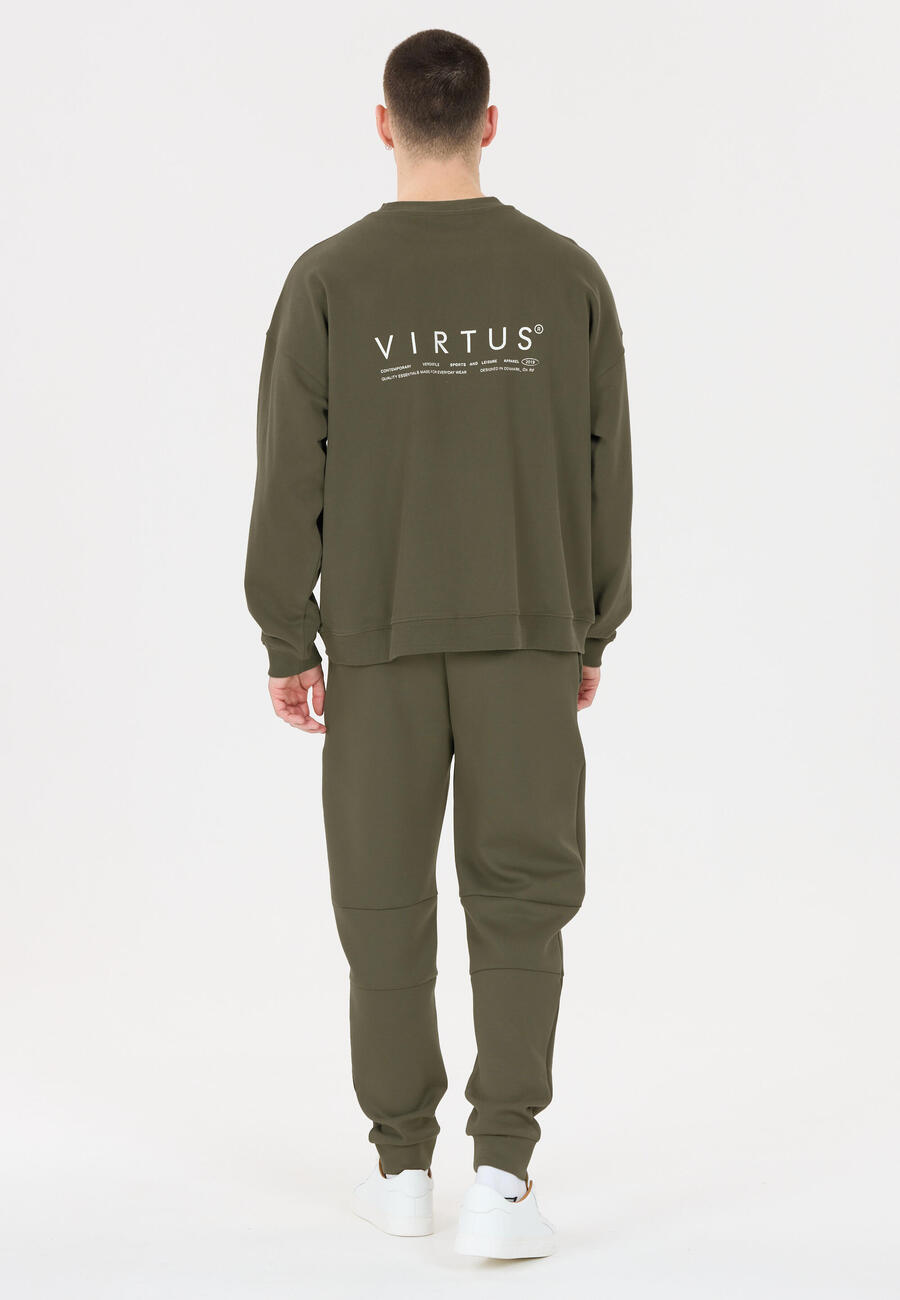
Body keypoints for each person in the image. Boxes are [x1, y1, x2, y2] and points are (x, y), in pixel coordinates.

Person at [244, 28, 632, 1260]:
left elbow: (287, 471)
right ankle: (501, 1178)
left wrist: (287, 634)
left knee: (383, 898)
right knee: (521, 898)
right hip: (528, 628)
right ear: (491, 123)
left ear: (384, 122)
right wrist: (593, 621)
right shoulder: (565, 276)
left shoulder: (328, 280)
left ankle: (403, 1168)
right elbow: (608, 465)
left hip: (377, 636)